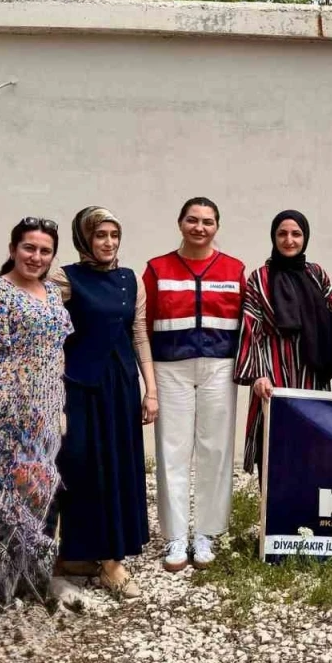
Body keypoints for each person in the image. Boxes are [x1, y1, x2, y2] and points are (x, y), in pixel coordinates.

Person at [0, 218, 73, 608]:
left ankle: (31, 577)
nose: (36, 257)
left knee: (36, 489)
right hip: (3, 406)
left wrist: (58, 407)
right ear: (13, 249)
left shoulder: (52, 293)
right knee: (1, 494)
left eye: (45, 251)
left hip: (44, 407)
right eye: (29, 248)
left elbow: (56, 351)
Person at [48, 207, 157, 600]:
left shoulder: (130, 280)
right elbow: (50, 333)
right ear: (84, 239)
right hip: (78, 387)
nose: (108, 242)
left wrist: (151, 390)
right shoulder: (64, 279)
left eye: (114, 234)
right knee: (78, 467)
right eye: (100, 235)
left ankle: (112, 561)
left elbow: (139, 334)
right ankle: (74, 554)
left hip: (120, 386)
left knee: (117, 467)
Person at [144, 198, 247, 574]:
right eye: (192, 220)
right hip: (169, 367)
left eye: (207, 221)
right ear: (180, 223)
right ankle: (175, 535)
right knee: (171, 450)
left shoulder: (235, 269)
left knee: (215, 449)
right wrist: (147, 378)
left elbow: (246, 322)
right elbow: (142, 322)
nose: (199, 227)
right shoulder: (157, 268)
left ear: (217, 226)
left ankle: (206, 532)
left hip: (220, 366)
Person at [235, 211, 332, 474]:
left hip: (313, 374)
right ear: (273, 237)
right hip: (273, 375)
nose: (289, 240)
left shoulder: (317, 274)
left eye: (296, 234)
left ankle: (308, 501)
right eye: (282, 234)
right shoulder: (260, 278)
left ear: (305, 237)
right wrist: (258, 375)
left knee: (313, 443)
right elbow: (251, 327)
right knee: (275, 446)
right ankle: (273, 501)